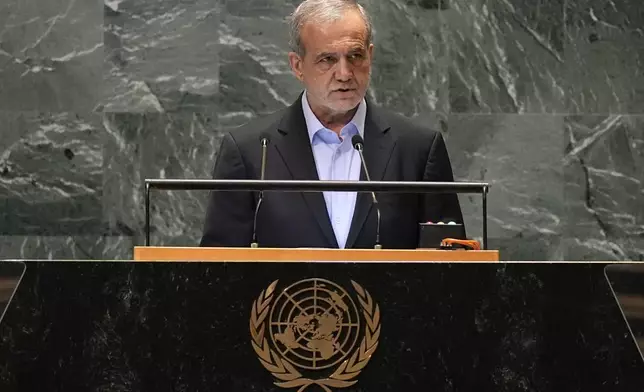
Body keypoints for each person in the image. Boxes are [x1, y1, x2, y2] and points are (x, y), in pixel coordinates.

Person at [200, 0, 464, 249]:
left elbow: (449, 266)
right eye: (327, 59)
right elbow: (218, 270)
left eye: (355, 56)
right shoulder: (251, 152)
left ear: (370, 56)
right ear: (297, 65)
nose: (345, 74)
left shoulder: (418, 149)